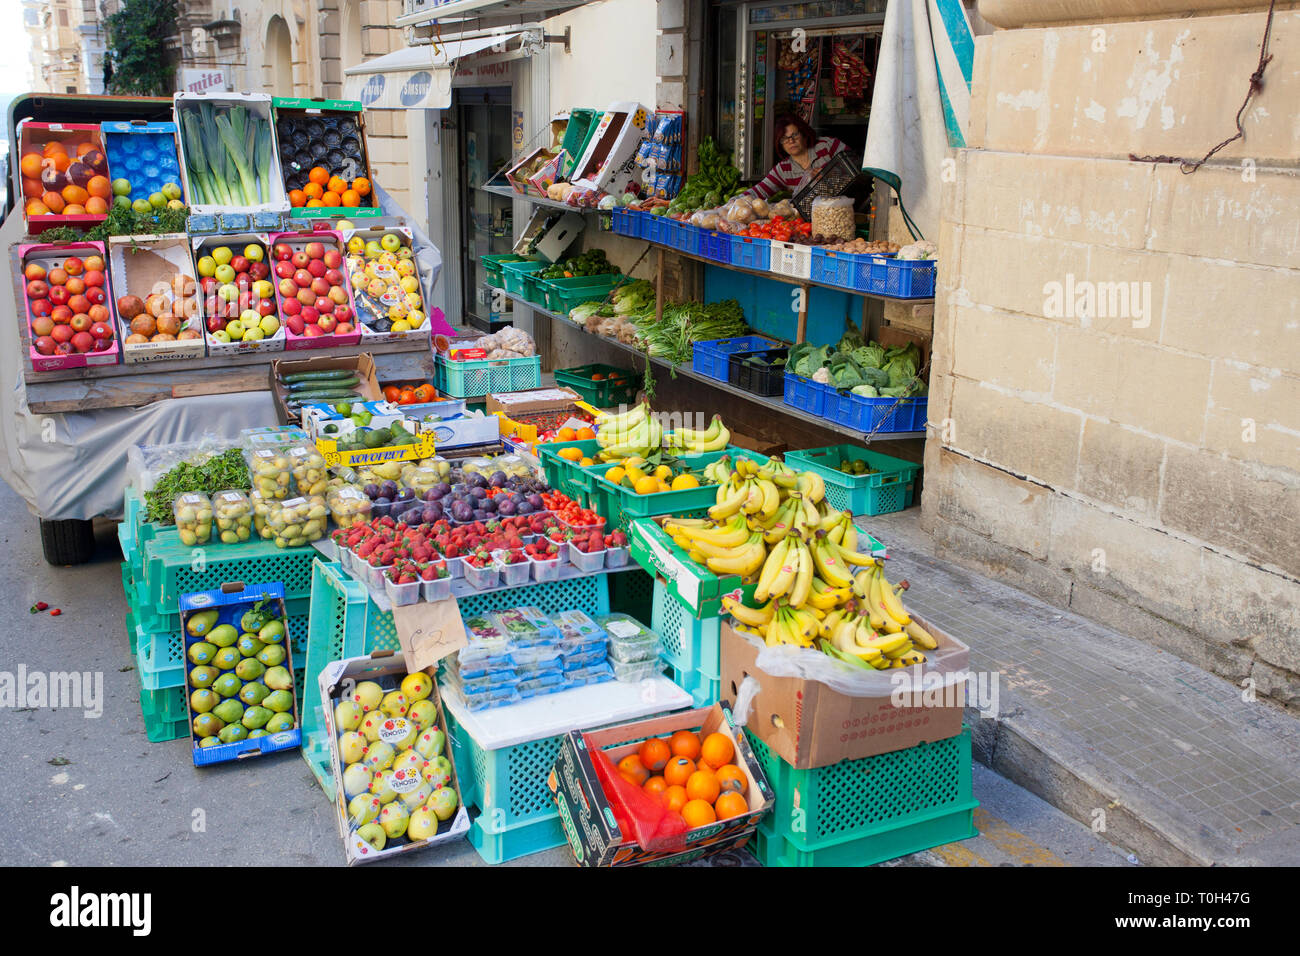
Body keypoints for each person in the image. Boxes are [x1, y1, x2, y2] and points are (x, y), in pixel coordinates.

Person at [746, 114, 847, 201]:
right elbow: (759, 191)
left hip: (844, 209)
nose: (791, 141)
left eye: (795, 135)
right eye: (784, 138)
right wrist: (735, 201)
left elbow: (856, 163)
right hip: (811, 220)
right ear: (780, 143)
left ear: (804, 134)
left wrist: (834, 172)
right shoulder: (783, 169)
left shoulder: (827, 146)